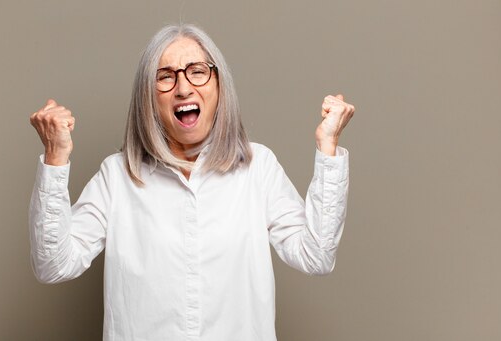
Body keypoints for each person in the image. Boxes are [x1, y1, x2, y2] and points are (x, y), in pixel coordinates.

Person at [29, 24, 355, 341]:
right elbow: (53, 265)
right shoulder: (117, 175)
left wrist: (328, 147)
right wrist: (56, 155)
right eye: (165, 76)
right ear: (148, 98)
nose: (183, 88)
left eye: (197, 71)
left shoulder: (258, 167)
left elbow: (316, 256)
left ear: (218, 85)